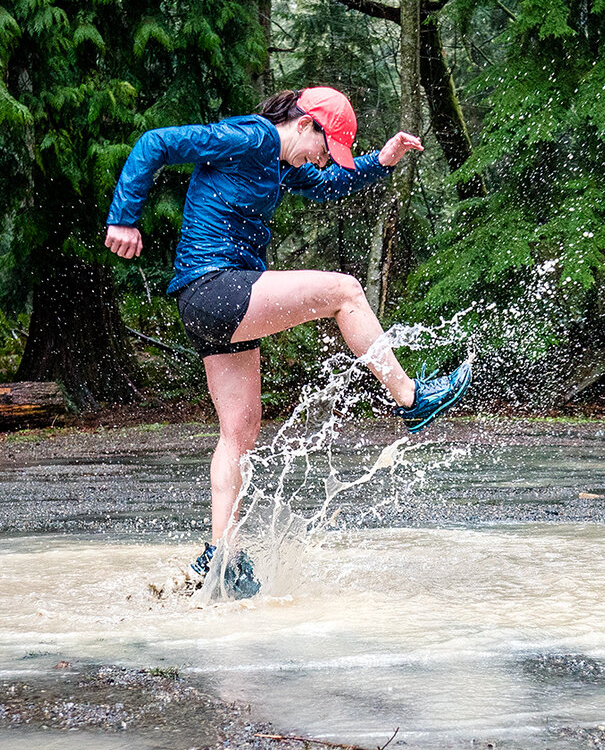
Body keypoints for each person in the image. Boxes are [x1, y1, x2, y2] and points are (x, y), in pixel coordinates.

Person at [103, 86, 472, 598]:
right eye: (324, 147)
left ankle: (222, 555)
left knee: (240, 430)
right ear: (304, 124)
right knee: (345, 291)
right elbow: (155, 143)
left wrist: (382, 161)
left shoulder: (280, 162)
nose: (322, 159)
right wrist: (123, 217)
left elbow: (328, 185)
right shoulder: (251, 136)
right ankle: (411, 399)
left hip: (210, 305)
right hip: (215, 287)